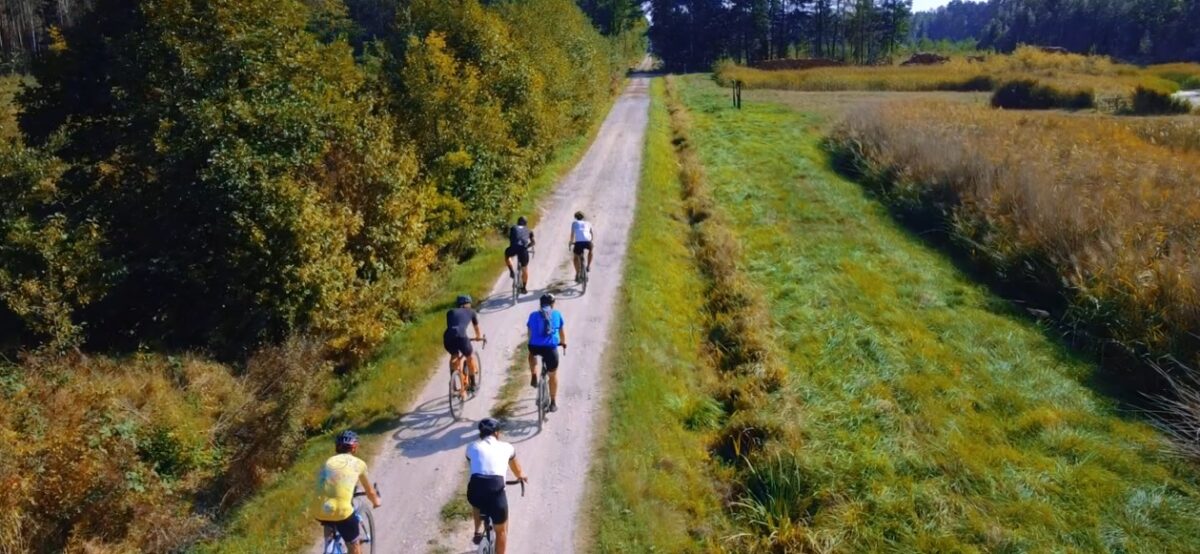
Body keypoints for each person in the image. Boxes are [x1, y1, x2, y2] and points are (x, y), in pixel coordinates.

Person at [311, 431, 382, 554]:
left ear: (336, 447)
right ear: (354, 448)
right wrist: (376, 501)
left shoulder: (328, 462)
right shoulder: (359, 464)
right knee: (353, 546)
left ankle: (329, 544)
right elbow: (370, 491)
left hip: (318, 509)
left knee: (330, 519)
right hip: (341, 512)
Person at [466, 418, 528, 554]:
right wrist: (521, 475)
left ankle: (477, 531)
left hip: (476, 487)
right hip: (496, 488)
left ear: (480, 433)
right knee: (501, 531)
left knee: (476, 500)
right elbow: (517, 469)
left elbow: (473, 463)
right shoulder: (507, 447)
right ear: (497, 433)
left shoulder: (471, 447)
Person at [527, 293, 566, 412]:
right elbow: (561, 333)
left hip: (535, 346)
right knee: (553, 375)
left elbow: (529, 333)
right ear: (552, 304)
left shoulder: (533, 315)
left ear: (540, 304)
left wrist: (532, 343)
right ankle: (553, 402)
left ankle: (533, 373)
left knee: (531, 354)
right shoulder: (557, 314)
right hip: (550, 349)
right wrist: (563, 343)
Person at [444, 294, 484, 396]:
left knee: (454, 356)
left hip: (448, 337)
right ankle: (473, 385)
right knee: (469, 357)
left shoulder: (450, 312)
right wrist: (478, 337)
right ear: (468, 304)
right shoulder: (471, 312)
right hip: (461, 336)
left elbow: (453, 325)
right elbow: (476, 328)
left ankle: (453, 382)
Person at [504, 216, 535, 294]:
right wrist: (526, 247)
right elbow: (533, 242)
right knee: (525, 269)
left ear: (518, 222)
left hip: (513, 247)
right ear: (526, 223)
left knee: (507, 255)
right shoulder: (529, 230)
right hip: (523, 250)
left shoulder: (513, 228)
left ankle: (511, 271)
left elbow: (509, 236)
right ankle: (524, 288)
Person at [568, 211, 594, 282]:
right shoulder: (588, 223)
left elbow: (572, 234)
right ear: (583, 217)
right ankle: (588, 266)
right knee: (590, 251)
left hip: (578, 243)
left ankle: (577, 273)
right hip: (588, 242)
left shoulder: (574, 223)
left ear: (575, 217)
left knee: (576, 257)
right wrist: (590, 241)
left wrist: (571, 242)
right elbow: (591, 234)